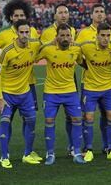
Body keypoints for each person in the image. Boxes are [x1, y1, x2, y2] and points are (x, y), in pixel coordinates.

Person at [0, 0, 40, 156]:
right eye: (16, 15)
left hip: (28, 83)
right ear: (10, 17)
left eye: (22, 15)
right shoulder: (4, 35)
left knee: (29, 119)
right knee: (7, 119)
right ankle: (6, 151)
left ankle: (28, 151)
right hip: (9, 85)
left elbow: (38, 49)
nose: (19, 17)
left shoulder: (31, 32)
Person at [36, 24, 86, 165]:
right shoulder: (48, 49)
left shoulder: (76, 49)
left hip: (70, 92)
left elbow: (83, 63)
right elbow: (32, 57)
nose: (65, 38)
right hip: (51, 93)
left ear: (71, 36)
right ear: (57, 36)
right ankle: (50, 154)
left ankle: (76, 152)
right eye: (62, 35)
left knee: (77, 120)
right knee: (49, 121)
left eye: (68, 35)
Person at [80, 23, 111, 162]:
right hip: (90, 89)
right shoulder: (87, 46)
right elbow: (74, 50)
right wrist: (84, 65)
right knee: (89, 118)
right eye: (103, 35)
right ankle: (88, 149)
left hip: (108, 89)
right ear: (97, 35)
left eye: (108, 35)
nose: (105, 38)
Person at [40, 3, 77, 155]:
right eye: (60, 12)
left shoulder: (73, 30)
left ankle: (73, 146)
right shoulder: (47, 32)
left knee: (72, 116)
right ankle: (50, 151)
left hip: (69, 76)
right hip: (53, 79)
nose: (63, 15)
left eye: (65, 12)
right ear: (54, 15)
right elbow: (41, 50)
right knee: (50, 118)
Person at [75, 3, 109, 154]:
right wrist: (87, 66)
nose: (100, 14)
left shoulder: (109, 31)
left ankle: (106, 145)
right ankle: (87, 147)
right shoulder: (83, 33)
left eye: (102, 11)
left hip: (107, 82)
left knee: (107, 115)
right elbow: (77, 55)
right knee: (87, 116)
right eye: (97, 12)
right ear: (91, 14)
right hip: (88, 82)